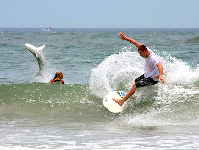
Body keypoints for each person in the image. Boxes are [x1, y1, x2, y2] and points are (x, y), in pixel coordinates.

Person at [113, 32, 165, 106]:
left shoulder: (153, 58)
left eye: (141, 54)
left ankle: (122, 101)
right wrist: (125, 38)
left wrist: (160, 76)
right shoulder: (144, 49)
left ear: (145, 51)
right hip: (148, 74)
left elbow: (160, 66)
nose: (140, 55)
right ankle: (130, 95)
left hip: (153, 79)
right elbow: (134, 42)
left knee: (135, 85)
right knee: (135, 81)